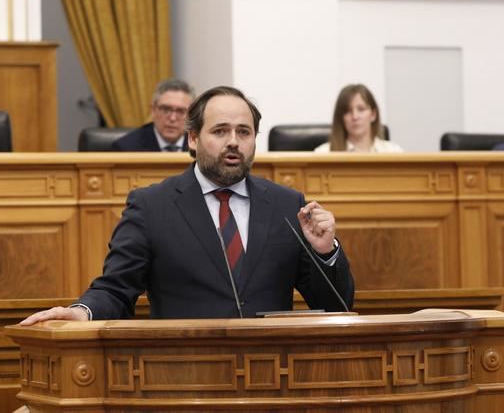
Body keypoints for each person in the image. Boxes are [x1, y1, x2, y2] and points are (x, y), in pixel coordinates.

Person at [22, 85, 355, 324]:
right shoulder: (151, 206)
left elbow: (337, 305)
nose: (233, 142)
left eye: (244, 132)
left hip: (271, 376)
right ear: (193, 139)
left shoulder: (287, 205)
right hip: (185, 375)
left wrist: (326, 253)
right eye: (220, 131)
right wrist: (82, 311)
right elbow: (116, 288)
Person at [111, 79, 194, 152]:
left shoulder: (199, 145)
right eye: (166, 109)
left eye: (181, 111)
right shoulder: (125, 148)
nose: (173, 118)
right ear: (153, 110)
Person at [314, 84, 402, 153]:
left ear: (373, 114)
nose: (355, 117)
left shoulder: (394, 152)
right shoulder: (323, 154)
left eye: (361, 109)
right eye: (347, 111)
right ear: (341, 118)